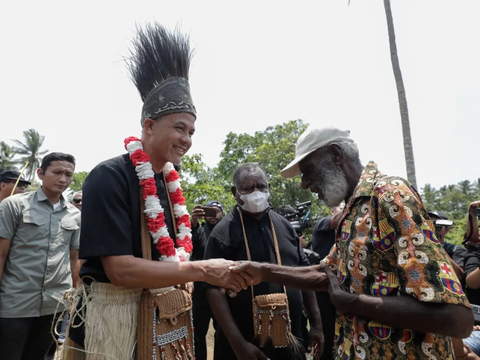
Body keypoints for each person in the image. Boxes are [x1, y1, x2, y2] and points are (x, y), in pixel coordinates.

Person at [66, 23, 249, 360]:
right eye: (179, 127)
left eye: (192, 131)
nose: (187, 139)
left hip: (162, 321)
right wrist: (202, 269)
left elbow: (170, 254)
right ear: (148, 126)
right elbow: (121, 271)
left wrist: (185, 274)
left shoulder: (168, 182)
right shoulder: (108, 177)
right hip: (115, 325)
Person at [231, 127, 473, 359]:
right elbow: (329, 274)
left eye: (308, 170)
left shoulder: (390, 196)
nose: (304, 183)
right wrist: (262, 272)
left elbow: (455, 318)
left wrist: (353, 303)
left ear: (336, 155)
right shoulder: (355, 209)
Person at [204, 163, 323, 360]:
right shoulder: (222, 234)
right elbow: (213, 291)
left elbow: (304, 275)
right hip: (242, 348)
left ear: (268, 187)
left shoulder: (285, 226)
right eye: (248, 188)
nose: (256, 193)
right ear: (235, 192)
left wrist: (317, 324)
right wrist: (239, 345)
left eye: (261, 186)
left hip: (289, 342)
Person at [0, 152, 81, 360]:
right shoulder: (14, 206)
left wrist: (75, 299)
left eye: (68, 174)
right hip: (15, 302)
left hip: (54, 305)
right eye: (57, 172)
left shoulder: (75, 215)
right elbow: (1, 255)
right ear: (40, 173)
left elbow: (74, 260)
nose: (63, 179)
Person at [190, 200, 224, 360]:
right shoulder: (199, 231)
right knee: (198, 334)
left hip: (221, 290)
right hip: (200, 292)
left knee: (222, 333)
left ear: (222, 213)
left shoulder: (227, 231)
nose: (213, 215)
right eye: (210, 211)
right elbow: (188, 245)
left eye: (216, 211)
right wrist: (193, 222)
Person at [309, 202, 344, 360]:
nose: (345, 210)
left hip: (340, 290)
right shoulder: (322, 223)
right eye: (341, 208)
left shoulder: (347, 231)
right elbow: (337, 220)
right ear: (331, 211)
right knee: (327, 334)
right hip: (322, 291)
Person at [428, 210, 467, 279]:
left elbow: (460, 276)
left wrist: (439, 249)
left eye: (438, 226)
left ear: (447, 229)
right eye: (429, 225)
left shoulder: (455, 250)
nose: (433, 230)